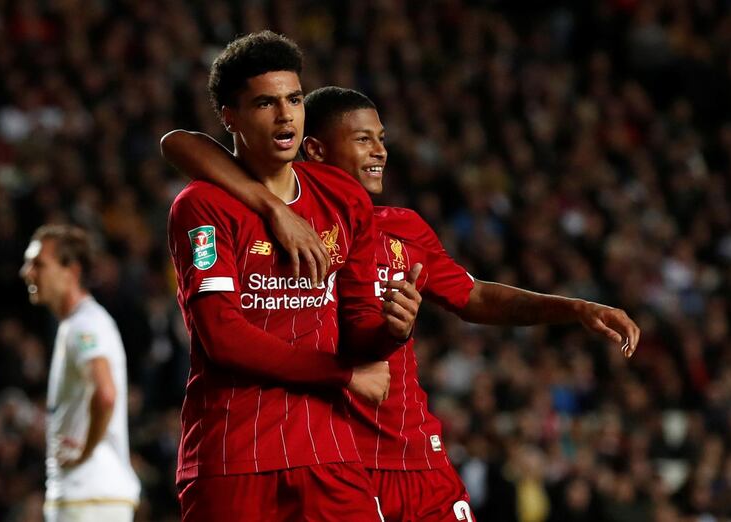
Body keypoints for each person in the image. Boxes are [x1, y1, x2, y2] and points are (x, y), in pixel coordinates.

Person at [161, 87, 641, 521]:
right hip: (337, 458)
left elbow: (472, 295)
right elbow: (181, 144)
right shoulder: (290, 225)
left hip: (418, 456)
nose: (380, 151)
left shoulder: (403, 228)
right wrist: (267, 206)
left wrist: (574, 308)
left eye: (381, 138)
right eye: (364, 139)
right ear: (316, 150)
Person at [165, 32, 422, 521]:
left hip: (329, 453)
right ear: (229, 116)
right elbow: (224, 338)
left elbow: (358, 328)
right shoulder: (202, 206)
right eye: (265, 103)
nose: (285, 115)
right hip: (232, 456)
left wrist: (392, 330)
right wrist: (343, 375)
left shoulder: (344, 199)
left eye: (294, 99)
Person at [19, 224, 140, 522]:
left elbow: (106, 394)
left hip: (88, 494)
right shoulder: (76, 323)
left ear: (70, 271)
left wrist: (84, 454)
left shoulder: (85, 325)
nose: (26, 272)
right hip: (92, 496)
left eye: (38, 264)